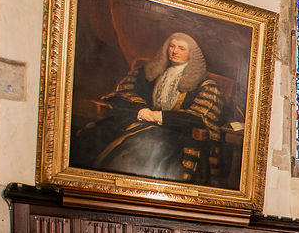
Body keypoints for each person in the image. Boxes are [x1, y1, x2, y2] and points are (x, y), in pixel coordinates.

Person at [82, 32, 234, 186]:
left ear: (192, 54)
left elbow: (198, 117)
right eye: (172, 46)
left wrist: (158, 116)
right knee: (94, 136)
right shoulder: (150, 72)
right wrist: (141, 110)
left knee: (142, 147)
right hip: (141, 124)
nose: (174, 51)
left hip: (176, 136)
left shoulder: (206, 85)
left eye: (181, 48)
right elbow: (124, 93)